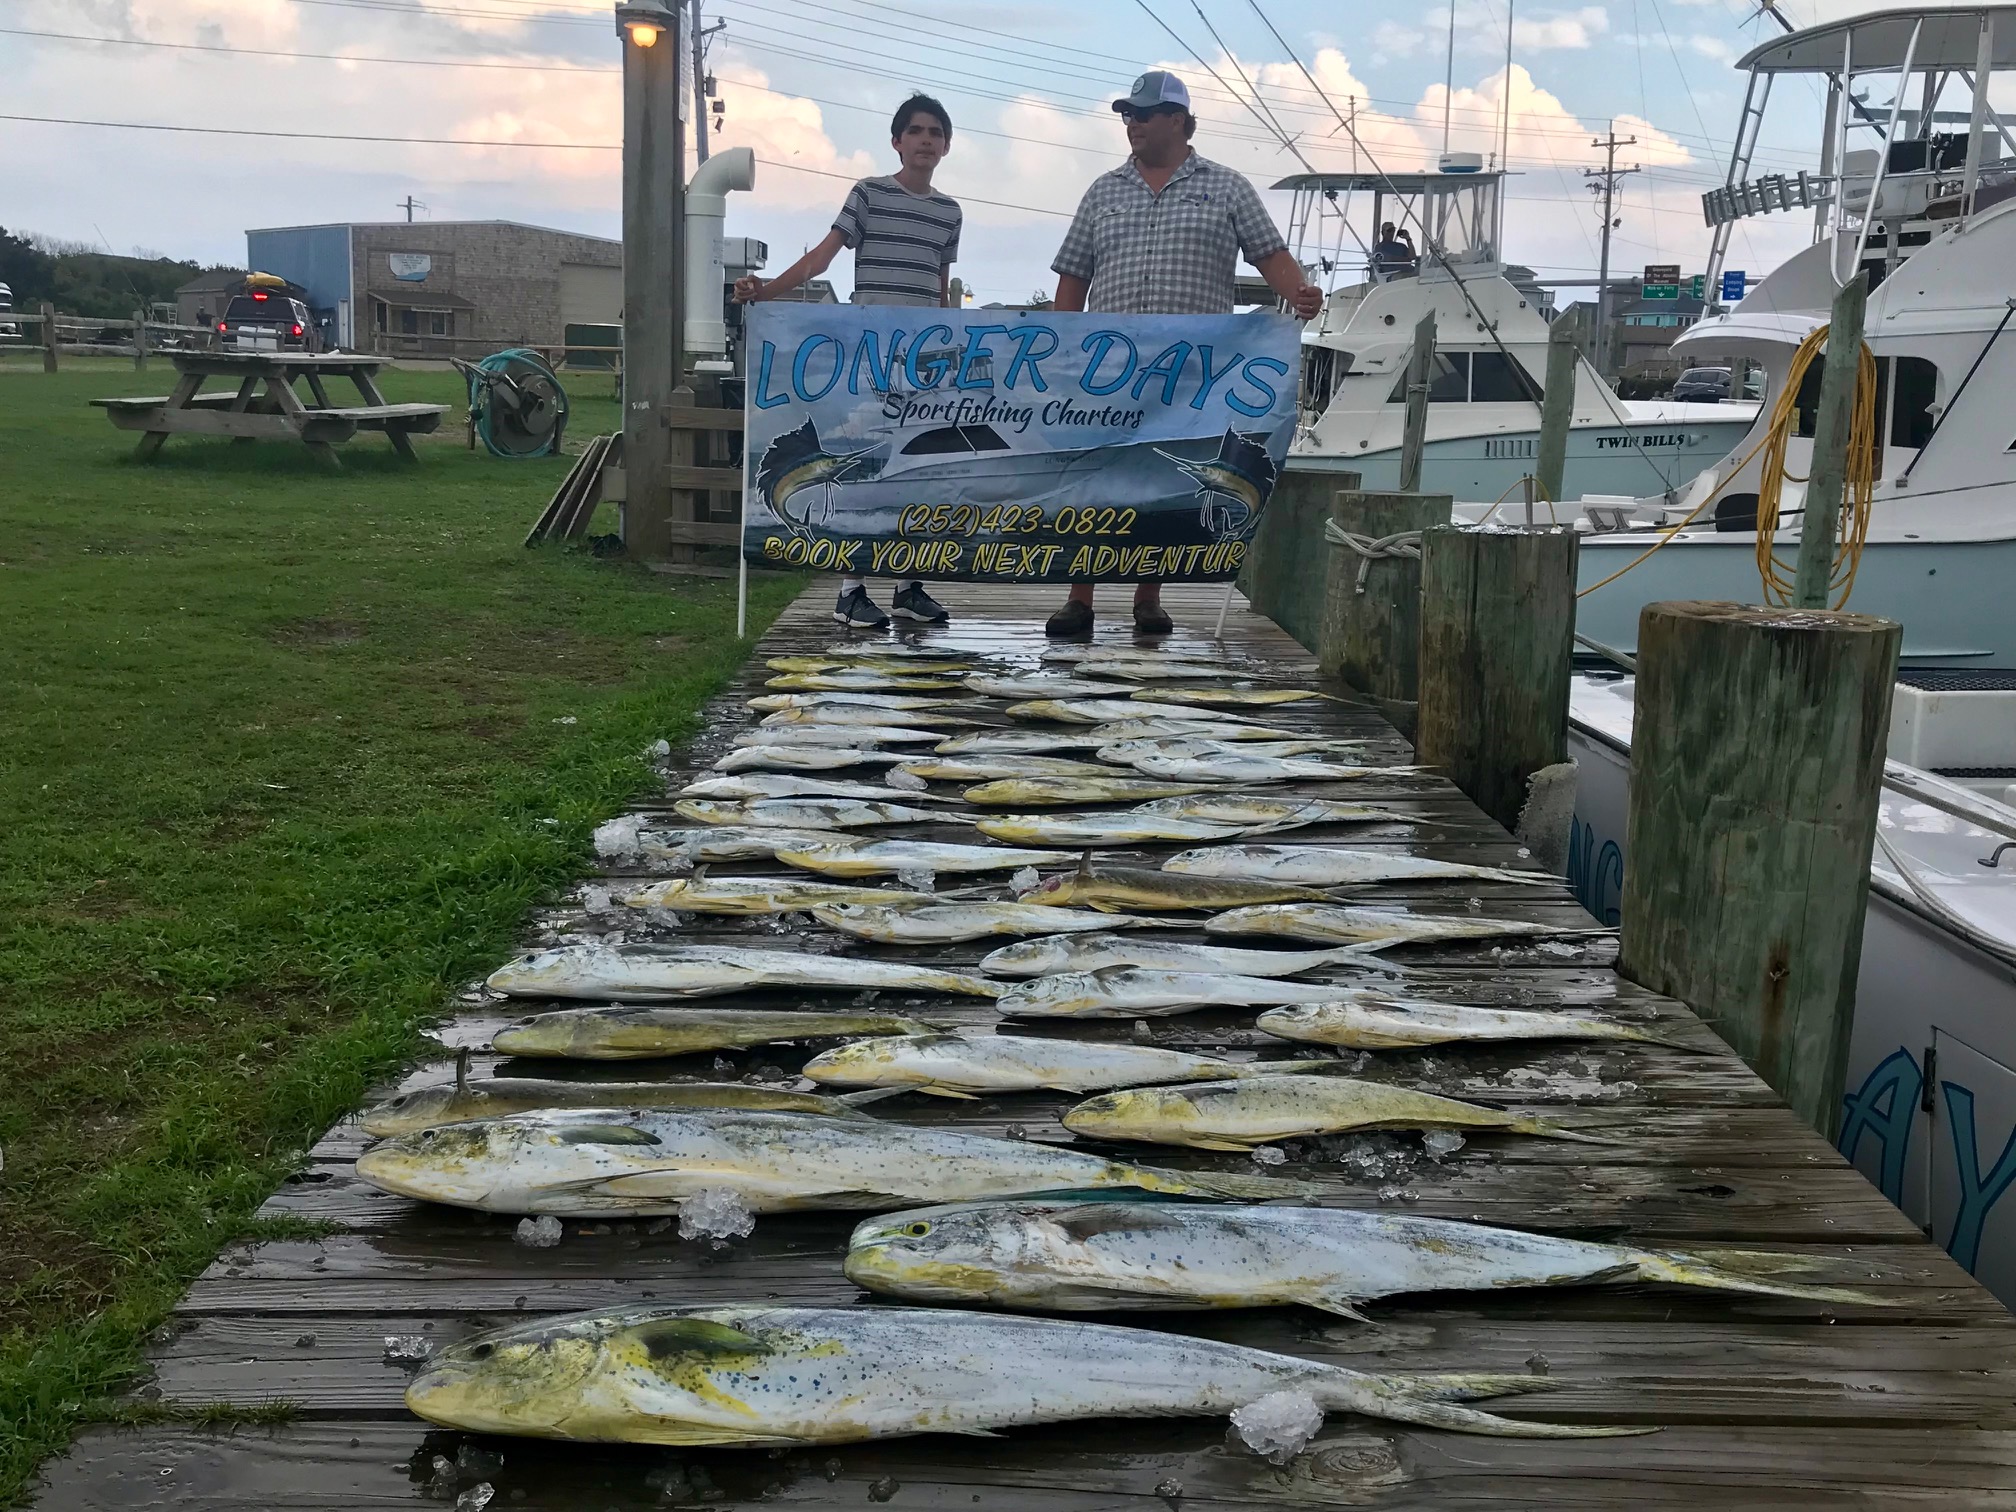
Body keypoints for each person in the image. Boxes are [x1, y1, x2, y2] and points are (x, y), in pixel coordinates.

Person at [1045, 71, 1324, 638]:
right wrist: (1057, 350)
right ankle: (1080, 597)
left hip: (1192, 374)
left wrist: (1300, 293)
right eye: (1128, 115)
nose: (1133, 124)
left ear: (1179, 120)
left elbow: (1270, 254)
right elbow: (1073, 277)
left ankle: (1149, 597)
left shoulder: (1227, 187)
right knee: (1093, 476)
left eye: (1144, 114)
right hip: (1107, 370)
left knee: (1166, 477)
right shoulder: (1102, 190)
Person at [734, 94, 962, 629]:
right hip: (867, 354)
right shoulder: (868, 195)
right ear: (897, 141)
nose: (925, 139)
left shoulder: (949, 212)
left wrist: (952, 341)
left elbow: (940, 283)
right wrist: (768, 291)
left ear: (946, 145)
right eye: (916, 130)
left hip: (924, 361)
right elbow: (824, 255)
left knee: (915, 465)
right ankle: (850, 588)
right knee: (857, 462)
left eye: (935, 132)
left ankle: (908, 585)